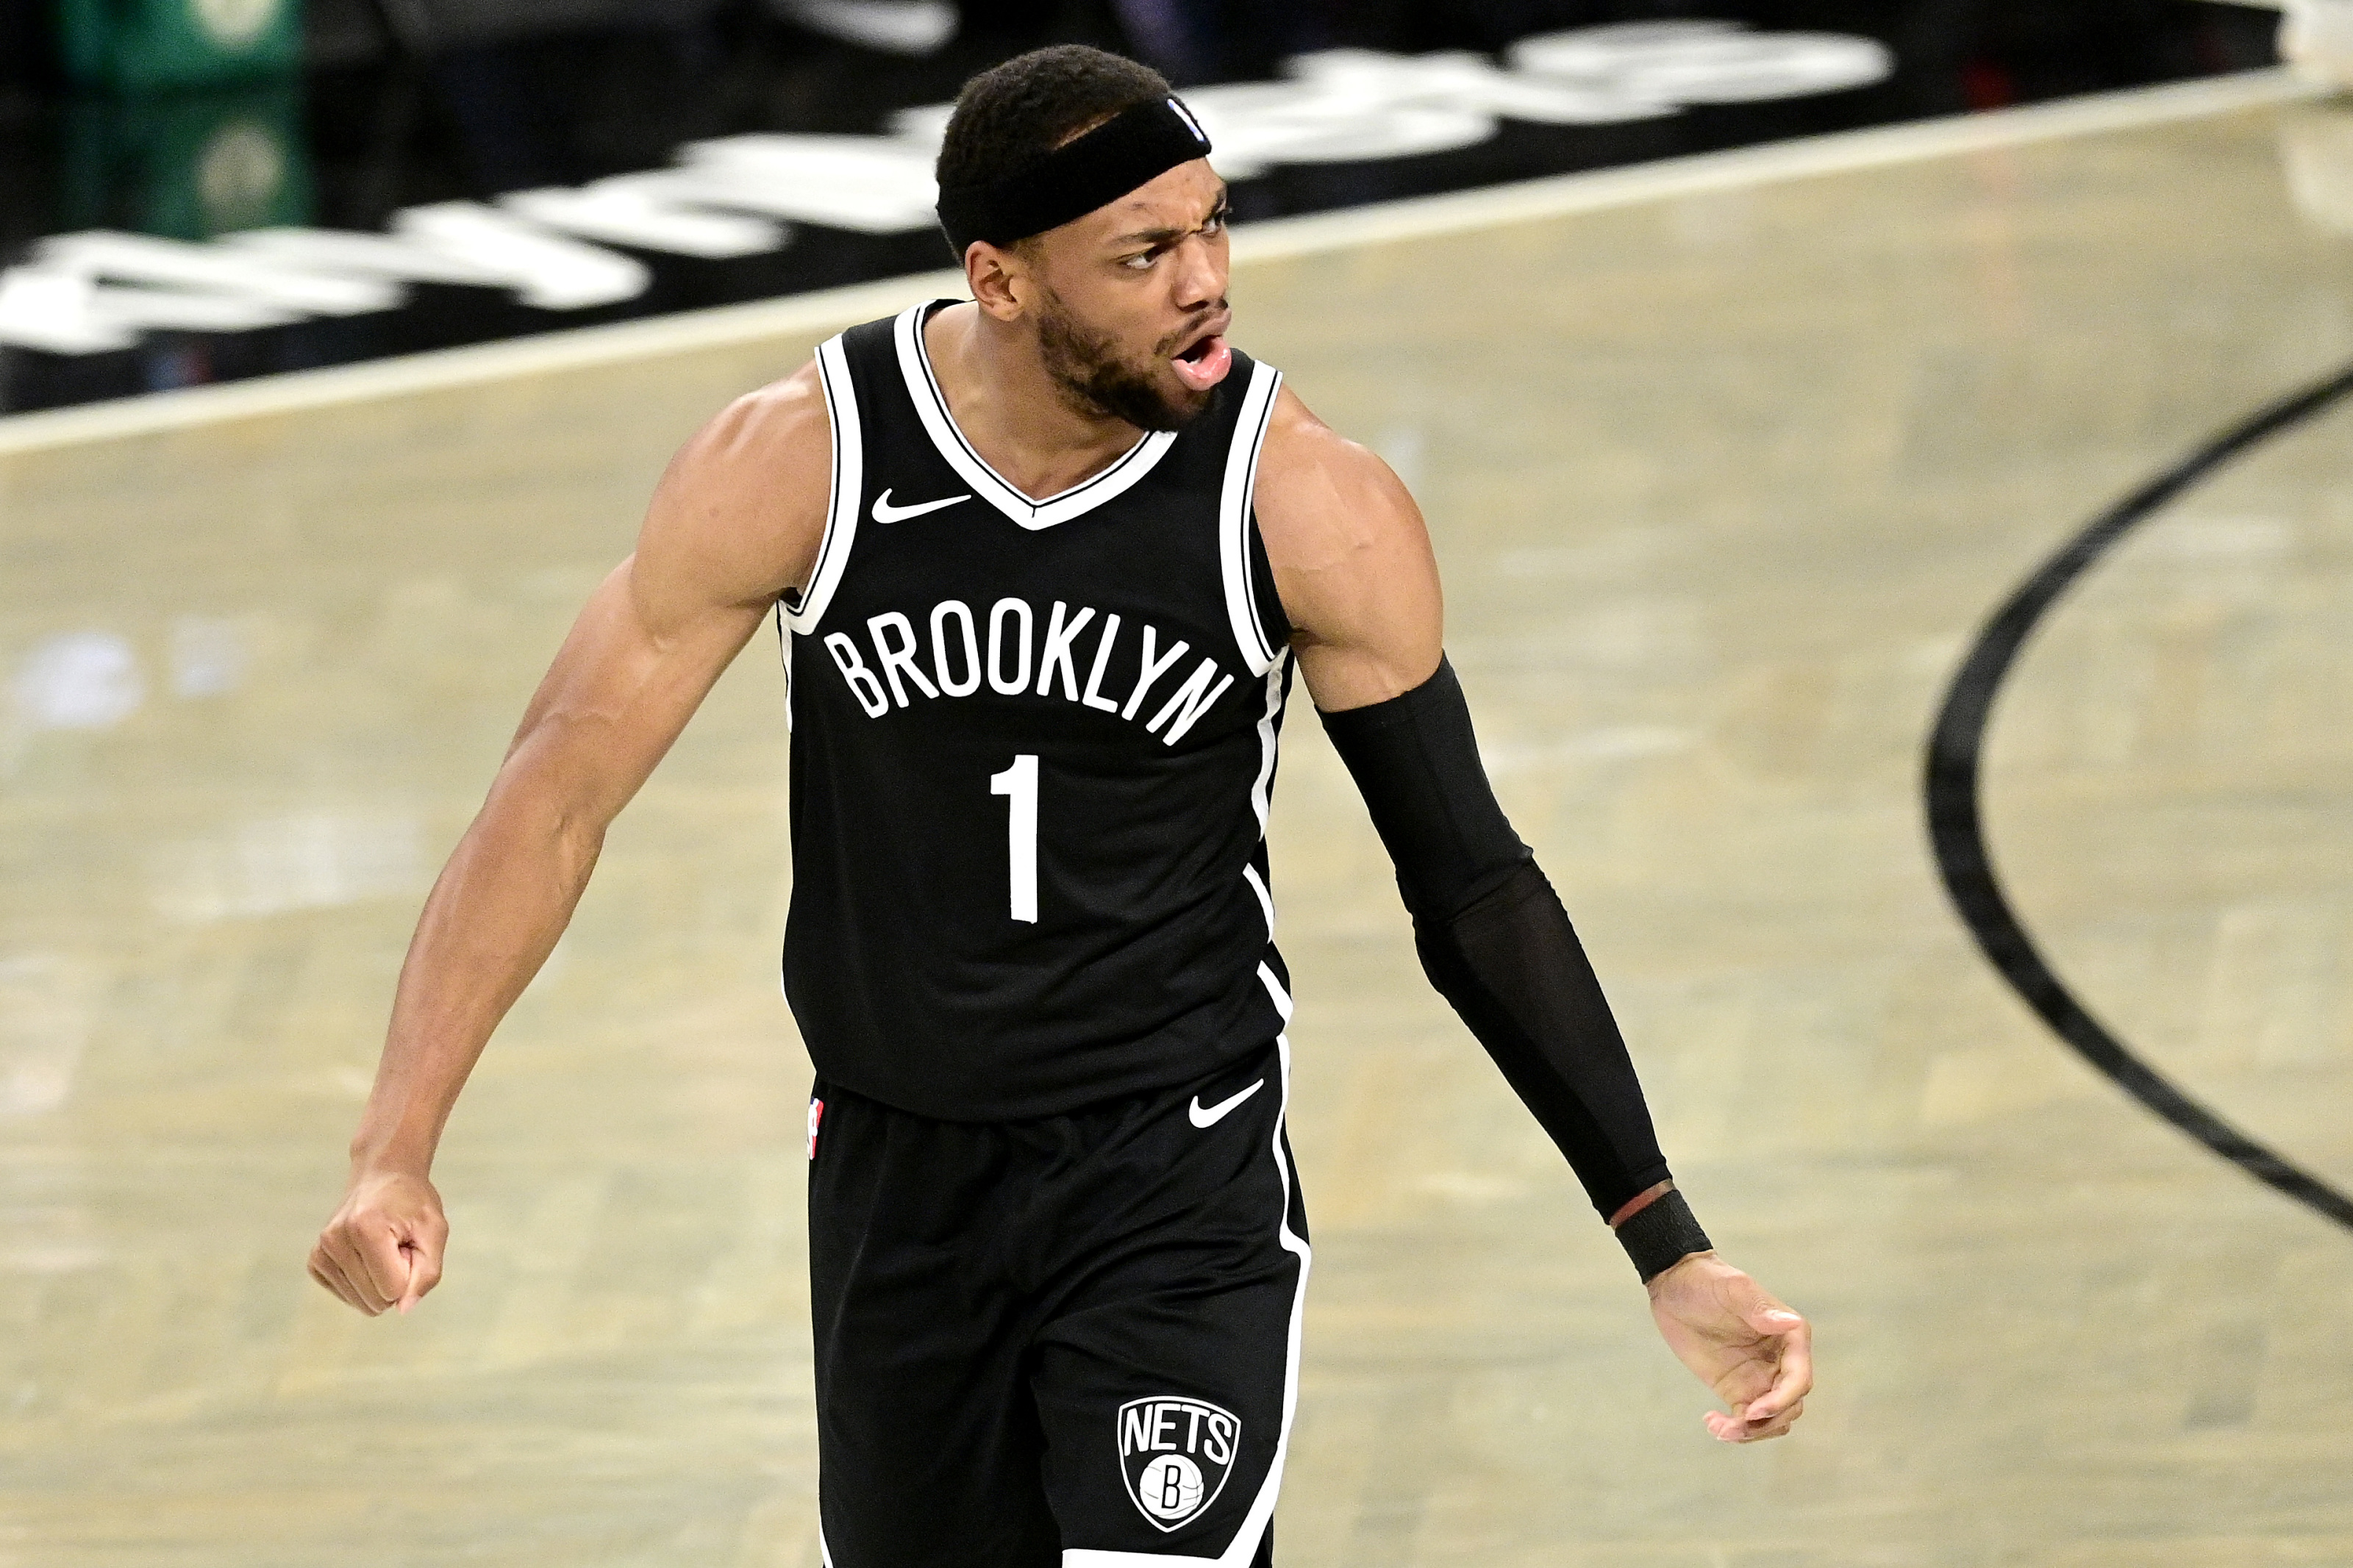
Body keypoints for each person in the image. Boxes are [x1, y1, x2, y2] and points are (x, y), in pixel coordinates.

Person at [309, 43, 1811, 1567]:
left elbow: (1472, 882)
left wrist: (1663, 1239)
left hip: (1171, 1168)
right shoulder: (801, 462)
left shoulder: (1301, 498)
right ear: (1003, 278)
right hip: (900, 1178)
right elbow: (553, 792)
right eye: (1144, 252)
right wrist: (395, 1142)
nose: (1203, 281)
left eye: (1213, 227)